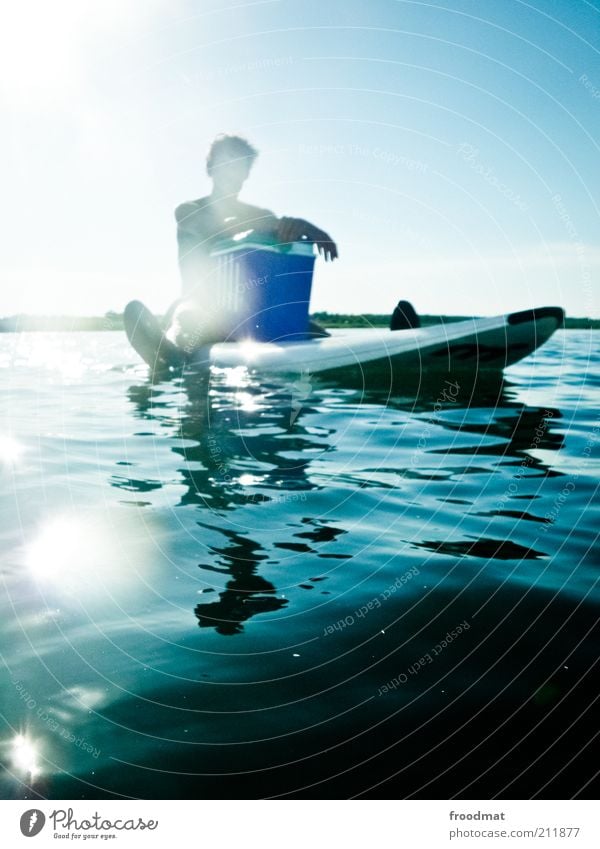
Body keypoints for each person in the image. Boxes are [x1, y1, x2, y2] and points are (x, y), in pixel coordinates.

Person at [166, 134, 338, 349]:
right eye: (226, 162)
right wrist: (271, 224)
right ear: (210, 168)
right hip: (200, 306)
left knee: (317, 333)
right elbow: (214, 227)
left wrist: (305, 228)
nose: (232, 171)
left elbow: (281, 240)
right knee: (189, 319)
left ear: (247, 174)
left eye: (240, 165)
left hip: (252, 312)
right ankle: (169, 353)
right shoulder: (189, 210)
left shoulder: (262, 215)